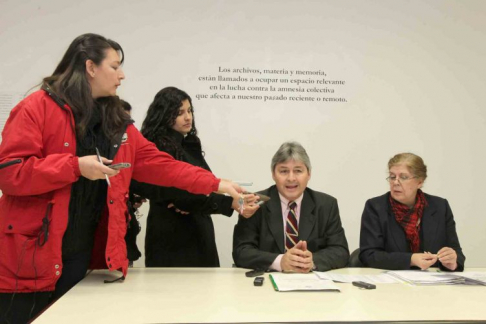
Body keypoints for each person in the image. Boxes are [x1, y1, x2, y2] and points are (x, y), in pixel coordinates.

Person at [0, 33, 243, 324]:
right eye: (115, 67)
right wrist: (74, 166)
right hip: (30, 262)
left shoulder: (117, 124)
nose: (122, 75)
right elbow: (11, 174)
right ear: (91, 67)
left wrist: (215, 184)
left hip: (87, 261)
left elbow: (161, 165)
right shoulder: (35, 108)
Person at [131, 87, 259, 267]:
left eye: (190, 111)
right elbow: (183, 195)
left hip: (197, 228)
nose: (188, 117)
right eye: (180, 112)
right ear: (164, 114)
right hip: (173, 236)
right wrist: (231, 202)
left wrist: (221, 194)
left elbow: (199, 188)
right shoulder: (160, 146)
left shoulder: (188, 143)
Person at [233, 141, 349, 272]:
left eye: (298, 171)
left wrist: (311, 261)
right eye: (283, 171)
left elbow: (341, 251)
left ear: (309, 174)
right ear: (273, 174)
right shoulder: (255, 203)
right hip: (266, 283)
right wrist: (280, 261)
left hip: (312, 284)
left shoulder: (327, 205)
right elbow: (241, 251)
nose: (291, 178)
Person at [359, 152, 465, 271]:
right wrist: (411, 259)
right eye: (392, 176)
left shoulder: (440, 206)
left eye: (403, 177)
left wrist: (452, 262)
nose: (395, 182)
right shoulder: (375, 207)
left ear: (419, 182)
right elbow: (368, 255)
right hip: (391, 284)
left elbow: (456, 252)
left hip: (433, 283)